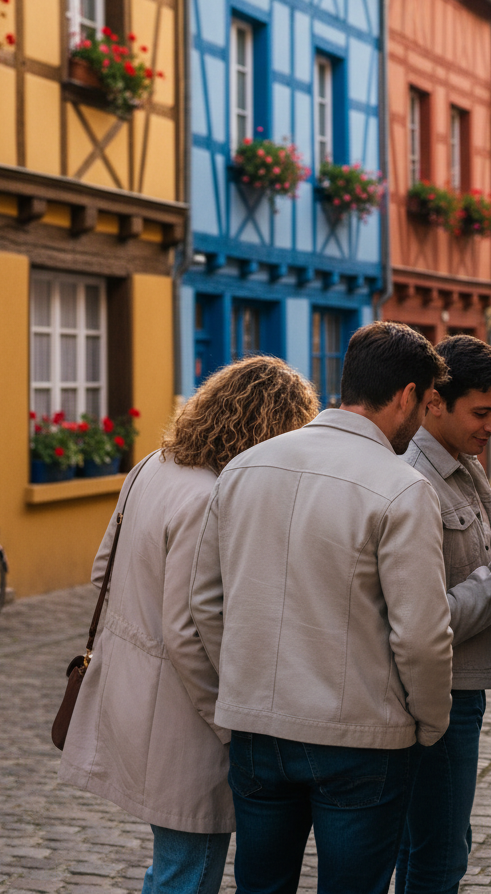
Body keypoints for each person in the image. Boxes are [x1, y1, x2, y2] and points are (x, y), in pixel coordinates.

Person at [190, 321, 454, 894]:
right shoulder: (401, 487)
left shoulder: (244, 467)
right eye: (426, 402)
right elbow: (421, 636)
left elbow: (205, 604)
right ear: (407, 395)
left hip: (258, 727)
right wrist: (431, 721)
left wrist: (239, 686)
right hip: (363, 735)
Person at [59, 356, 319, 894]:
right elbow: (186, 631)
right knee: (189, 868)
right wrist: (230, 721)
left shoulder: (152, 465)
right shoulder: (209, 495)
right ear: (268, 430)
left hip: (130, 691)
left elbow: (102, 570)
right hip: (181, 714)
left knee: (173, 862)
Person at [397, 335, 491, 894]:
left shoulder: (464, 461)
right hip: (437, 693)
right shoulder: (413, 478)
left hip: (463, 686)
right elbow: (425, 616)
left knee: (435, 842)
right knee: (439, 856)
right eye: (482, 412)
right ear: (434, 402)